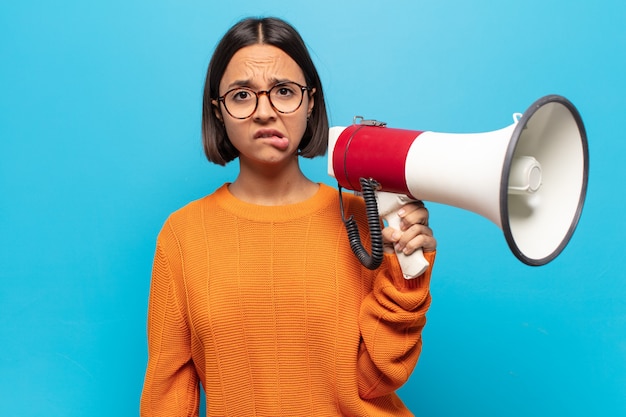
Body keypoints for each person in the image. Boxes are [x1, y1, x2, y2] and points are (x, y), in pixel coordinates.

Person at [140, 16, 437, 417]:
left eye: (283, 91)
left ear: (310, 101)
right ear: (219, 111)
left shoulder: (365, 221)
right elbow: (167, 393)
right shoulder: (184, 235)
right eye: (242, 95)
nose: (265, 112)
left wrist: (407, 272)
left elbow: (376, 380)